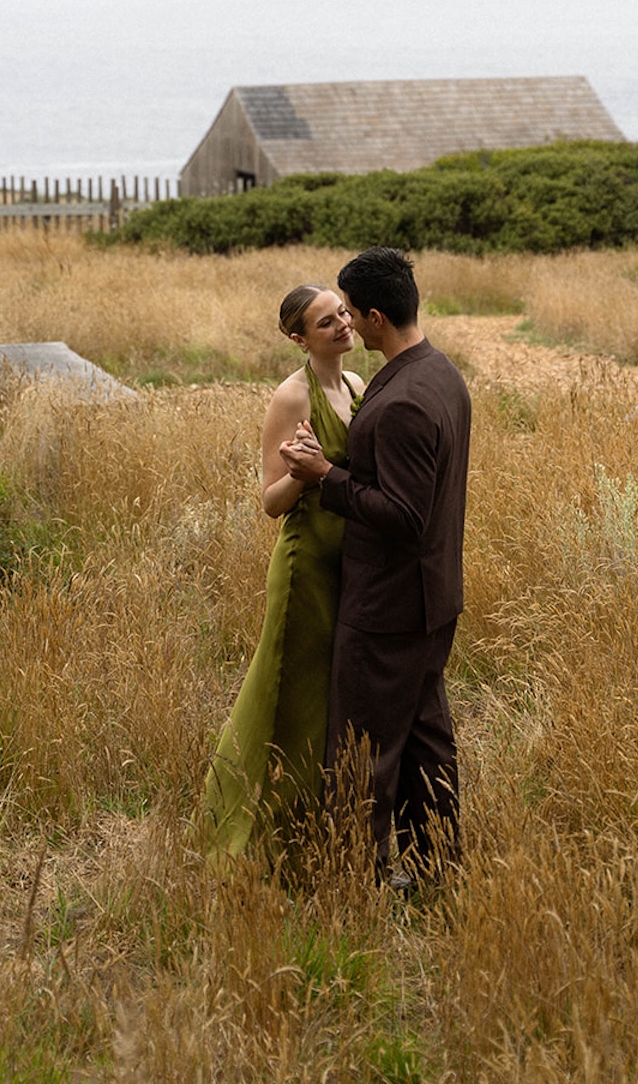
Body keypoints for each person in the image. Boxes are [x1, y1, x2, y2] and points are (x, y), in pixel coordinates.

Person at [281, 247, 471, 882]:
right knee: (423, 741)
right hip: (432, 598)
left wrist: (326, 476)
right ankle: (435, 864)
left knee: (362, 749)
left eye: (353, 316)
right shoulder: (440, 373)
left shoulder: (401, 403)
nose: (349, 328)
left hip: (389, 607)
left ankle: (354, 877)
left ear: (376, 315)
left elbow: (404, 516)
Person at [202, 284, 364, 858]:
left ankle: (317, 826)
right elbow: (271, 502)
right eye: (326, 323)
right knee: (283, 695)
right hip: (306, 567)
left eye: (343, 312)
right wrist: (304, 471)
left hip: (351, 567)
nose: (343, 324)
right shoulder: (292, 398)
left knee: (327, 698)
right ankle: (247, 830)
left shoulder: (355, 386)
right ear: (299, 339)